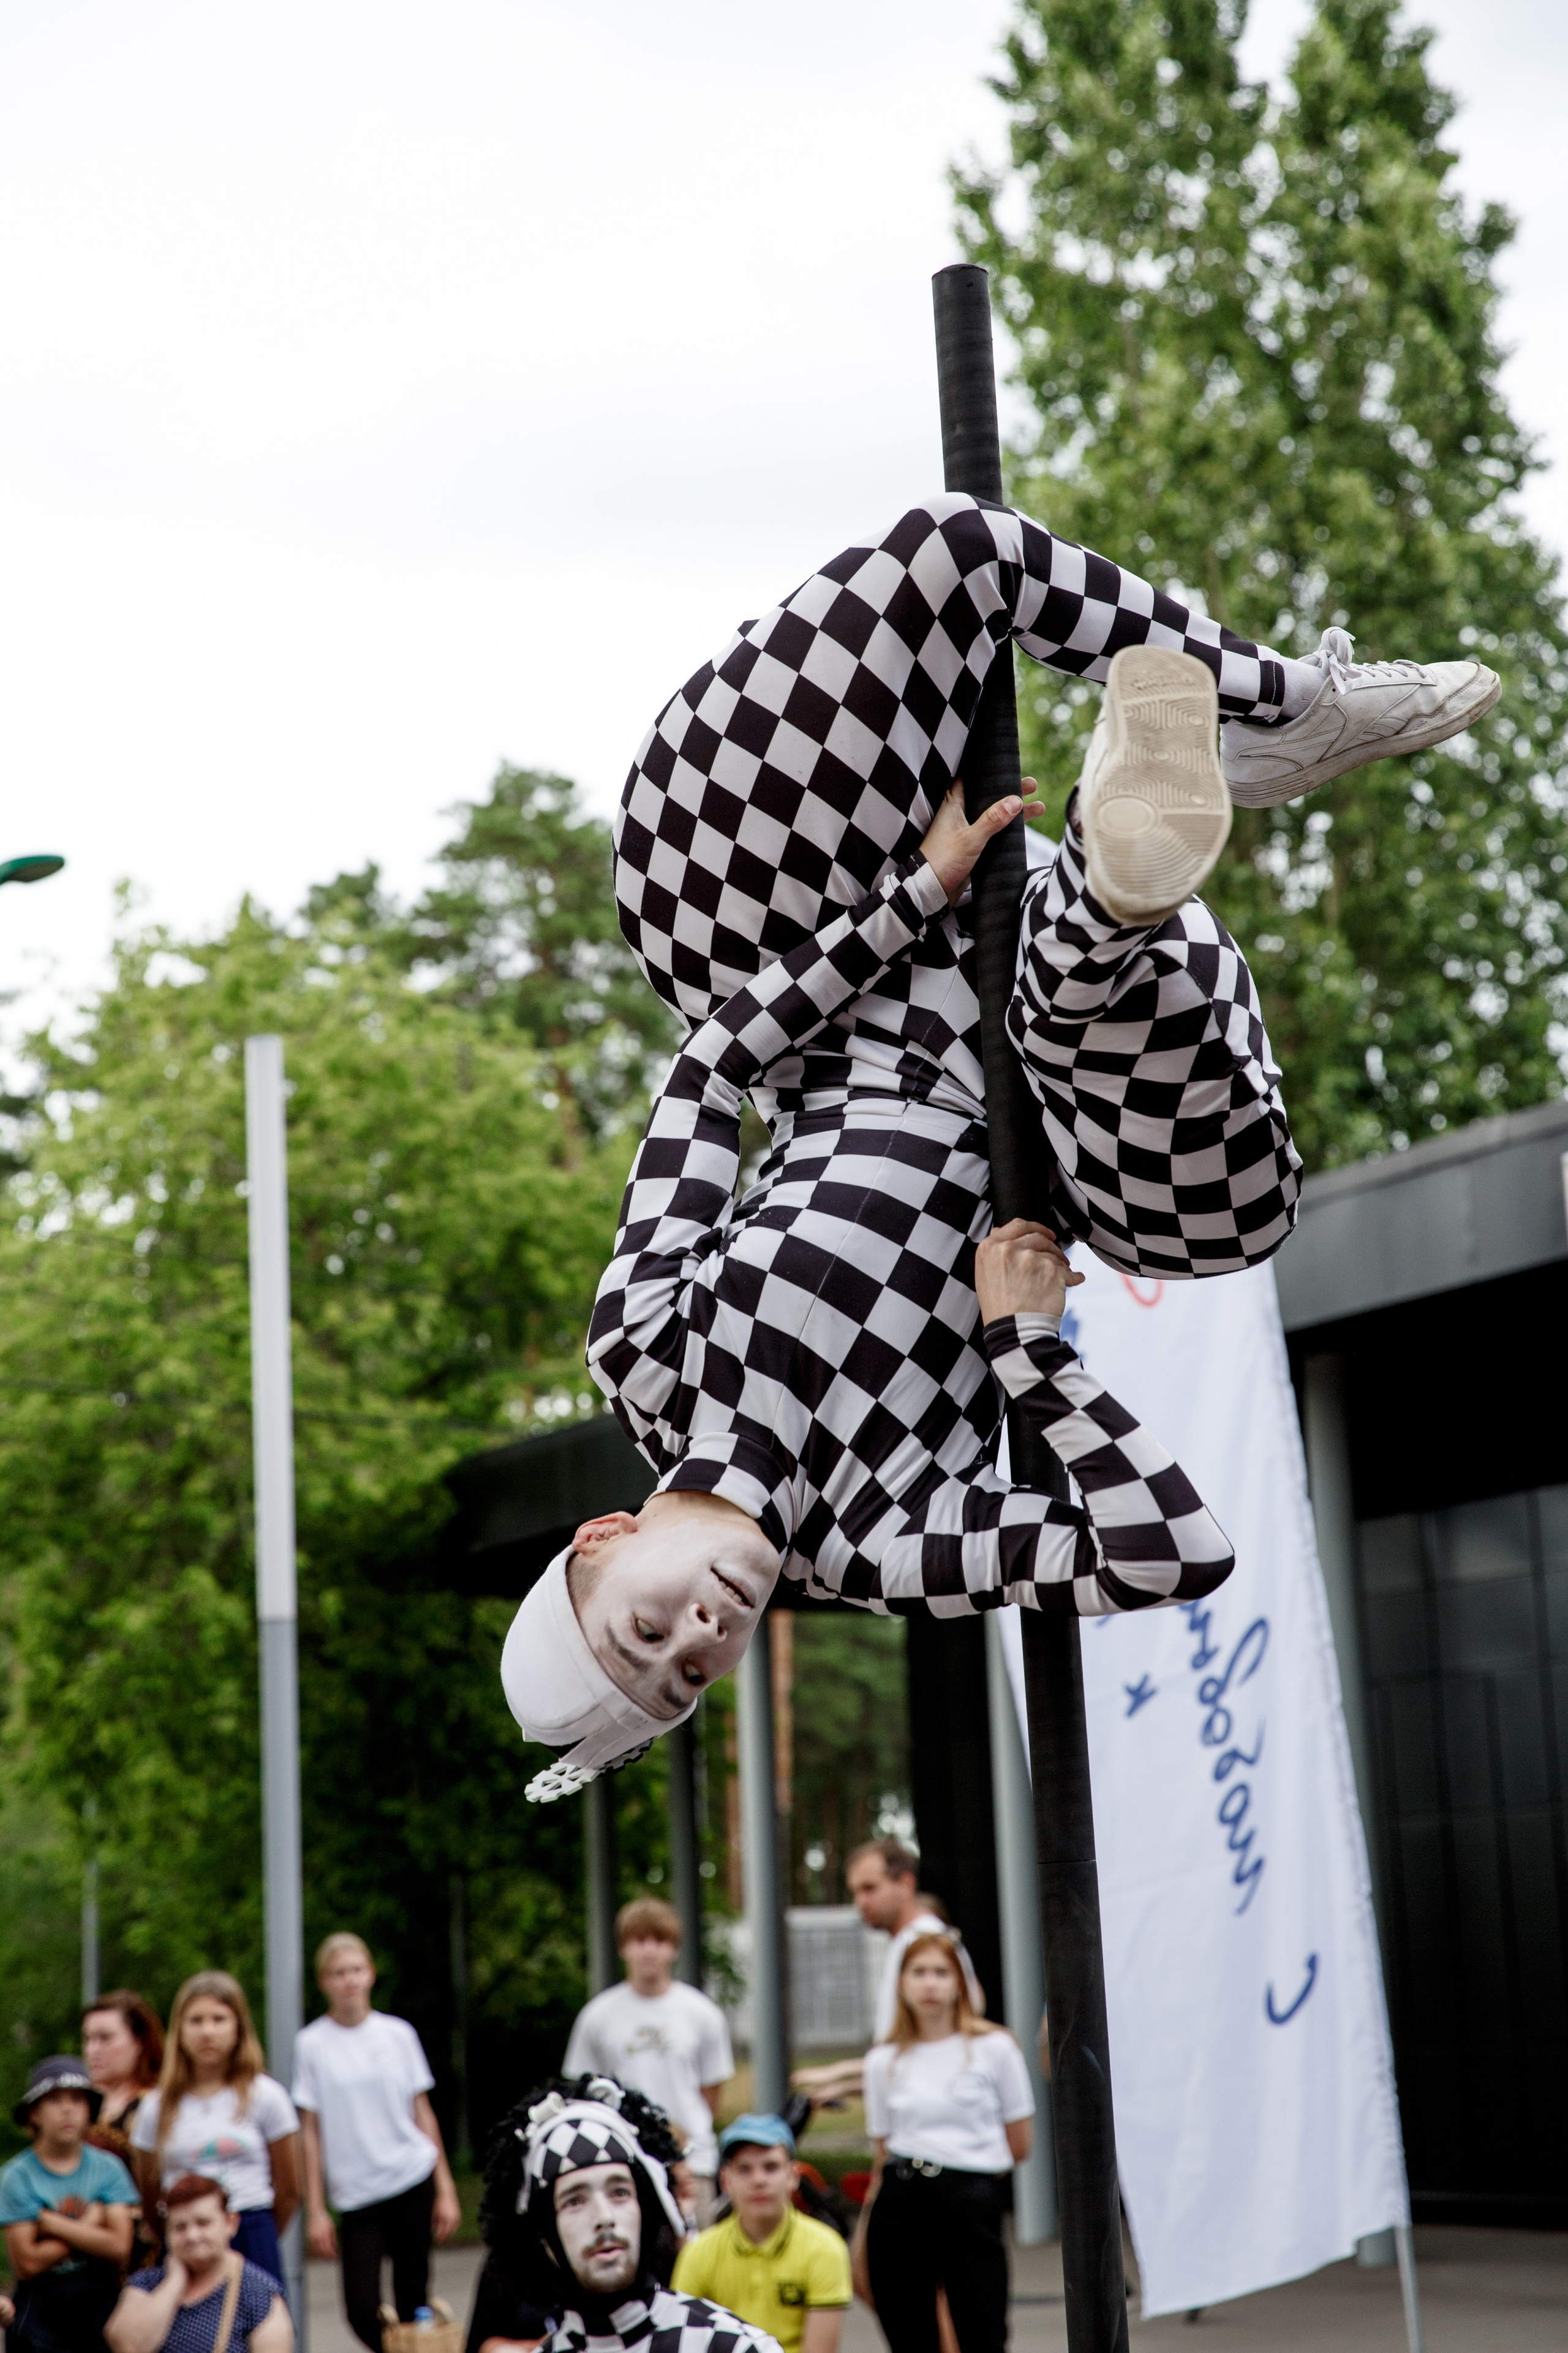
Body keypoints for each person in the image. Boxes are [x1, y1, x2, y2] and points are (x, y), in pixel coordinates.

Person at [500, 496, 1494, 1797]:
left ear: (604, 1541)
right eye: (690, 1674)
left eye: (648, 1624)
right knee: (1209, 1198)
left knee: (953, 556)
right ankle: (1117, 861)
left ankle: (1273, 709)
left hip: (863, 978)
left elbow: (711, 1063)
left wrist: (911, 896)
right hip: (1056, 1092)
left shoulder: (644, 1346)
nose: (701, 1631)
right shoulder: (881, 1542)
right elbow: (1166, 1552)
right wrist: (1028, 1357)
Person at [479, 2074, 778, 2353]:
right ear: (543, 2234)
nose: (604, 2217)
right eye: (574, 2201)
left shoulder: (733, 2347)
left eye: (619, 2192)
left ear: (646, 2209)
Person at [856, 1935, 1034, 2353]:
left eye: (941, 1972)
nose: (930, 1984)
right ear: (901, 1984)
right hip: (903, 2196)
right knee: (908, 2330)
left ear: (960, 1983)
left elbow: (1020, 2142)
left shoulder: (995, 2048)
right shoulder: (883, 2060)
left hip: (970, 2197)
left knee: (982, 2328)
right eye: (919, 1972)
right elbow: (882, 2149)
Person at [292, 1932, 461, 2353]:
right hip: (356, 2190)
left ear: (370, 1974)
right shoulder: (312, 2043)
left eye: (355, 1970)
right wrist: (316, 2208)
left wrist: (446, 2187)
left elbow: (422, 2111)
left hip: (410, 2174)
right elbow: (309, 2130)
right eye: (338, 1973)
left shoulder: (397, 2034)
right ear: (324, 1981)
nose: (348, 1980)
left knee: (413, 2297)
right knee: (361, 2306)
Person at [562, 1899, 733, 2224]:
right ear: (624, 1947)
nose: (649, 1951)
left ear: (675, 1949)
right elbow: (583, 2093)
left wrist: (679, 2137)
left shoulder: (702, 2014)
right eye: (640, 1941)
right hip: (619, 2161)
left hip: (694, 2162)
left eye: (660, 1941)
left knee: (693, 2262)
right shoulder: (597, 2017)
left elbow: (711, 2093)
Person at [130, 1975, 300, 2293]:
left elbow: (290, 2188)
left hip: (251, 2228)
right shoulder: (157, 2106)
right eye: (196, 2021)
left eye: (219, 2019)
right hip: (186, 2236)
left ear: (239, 2028)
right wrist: (183, 2228)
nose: (208, 2031)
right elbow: (150, 2188)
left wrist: (253, 2231)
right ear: (179, 2031)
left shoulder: (265, 2095)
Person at [672, 2115, 849, 2353]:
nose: (759, 2180)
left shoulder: (825, 2248)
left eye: (771, 2167)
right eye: (744, 2169)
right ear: (726, 2180)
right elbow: (685, 2340)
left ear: (793, 2177)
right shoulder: (699, 2252)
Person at [0, 2055, 138, 2353]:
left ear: (90, 2109)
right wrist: (90, 2225)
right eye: (54, 2100)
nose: (67, 2109)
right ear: (33, 2114)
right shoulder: (16, 2176)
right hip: (39, 2312)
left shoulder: (109, 2168)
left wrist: (51, 2223)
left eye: (78, 2099)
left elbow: (119, 2247)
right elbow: (28, 2263)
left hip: (101, 2305)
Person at [105, 2175, 290, 2353]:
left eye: (203, 2223)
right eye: (180, 2227)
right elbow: (126, 2346)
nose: (192, 2236)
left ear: (230, 2223)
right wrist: (175, 2281)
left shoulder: (259, 2295)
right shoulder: (146, 2284)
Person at [845, 1845, 981, 2045]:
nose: (861, 1902)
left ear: (906, 1884)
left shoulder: (926, 1942)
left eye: (870, 1888)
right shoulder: (908, 1940)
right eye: (855, 1892)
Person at [82, 1996, 166, 2139]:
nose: (92, 2050)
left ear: (139, 2042)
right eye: (88, 2039)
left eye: (105, 2038)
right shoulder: (79, 2102)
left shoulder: (158, 2103)